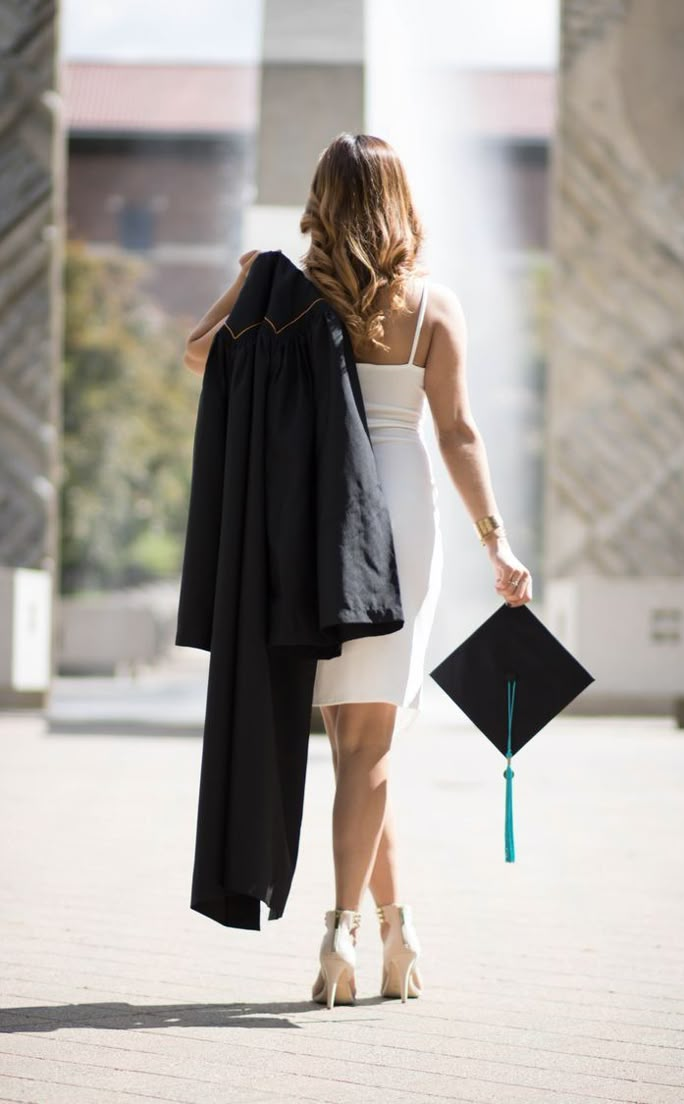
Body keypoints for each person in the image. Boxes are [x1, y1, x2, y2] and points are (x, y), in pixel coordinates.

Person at [183, 132, 532, 1009]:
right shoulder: (432, 306)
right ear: (399, 202)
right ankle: (353, 930)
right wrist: (496, 539)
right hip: (402, 524)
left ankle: (393, 930)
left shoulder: (290, 295)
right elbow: (456, 433)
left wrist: (247, 274)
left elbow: (198, 354)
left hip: (314, 522)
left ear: (323, 202)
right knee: (365, 746)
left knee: (354, 744)